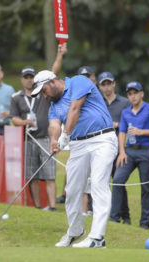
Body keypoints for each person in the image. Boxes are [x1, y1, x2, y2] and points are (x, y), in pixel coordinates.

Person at [31, 70, 118, 248]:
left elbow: (75, 108)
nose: (44, 95)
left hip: (102, 139)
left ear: (53, 82)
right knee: (71, 190)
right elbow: (54, 124)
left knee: (98, 184)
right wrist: (55, 139)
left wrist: (66, 134)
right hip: (78, 145)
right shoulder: (53, 105)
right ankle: (76, 230)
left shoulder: (78, 82)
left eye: (44, 90)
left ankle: (97, 238)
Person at [110, 81, 149, 230]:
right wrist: (122, 152)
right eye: (130, 94)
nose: (133, 97)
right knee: (118, 180)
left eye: (135, 93)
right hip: (129, 152)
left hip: (146, 151)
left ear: (142, 94)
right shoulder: (126, 112)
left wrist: (141, 132)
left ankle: (144, 223)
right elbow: (122, 132)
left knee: (146, 187)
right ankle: (114, 218)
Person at [9, 66, 57, 211]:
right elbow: (14, 119)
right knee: (32, 176)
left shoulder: (44, 93)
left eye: (31, 77)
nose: (29, 80)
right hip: (27, 139)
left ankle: (53, 206)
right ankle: (37, 206)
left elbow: (54, 72)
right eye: (26, 77)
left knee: (50, 174)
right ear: (22, 80)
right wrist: (25, 122)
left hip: (45, 138)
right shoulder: (16, 97)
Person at [56, 65, 97, 206]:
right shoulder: (73, 95)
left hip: (98, 140)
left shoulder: (96, 95)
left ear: (94, 79)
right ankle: (67, 195)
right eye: (82, 77)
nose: (85, 80)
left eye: (88, 77)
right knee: (73, 169)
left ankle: (91, 205)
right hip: (79, 139)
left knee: (96, 175)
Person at [98, 72, 132, 225]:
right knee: (103, 182)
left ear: (114, 84)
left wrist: (117, 124)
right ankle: (107, 213)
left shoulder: (124, 103)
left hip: (119, 148)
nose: (106, 87)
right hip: (102, 147)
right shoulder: (97, 102)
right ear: (99, 86)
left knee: (118, 182)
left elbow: (131, 121)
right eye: (103, 84)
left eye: (108, 83)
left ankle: (124, 216)